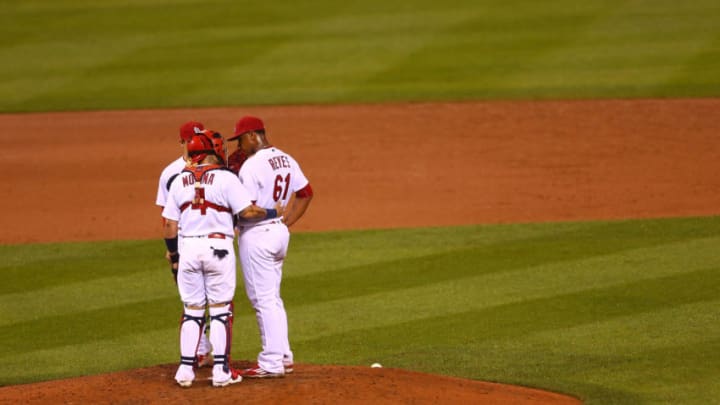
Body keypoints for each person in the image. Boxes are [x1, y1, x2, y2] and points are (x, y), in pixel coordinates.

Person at [162, 130, 284, 388]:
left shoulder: (177, 180)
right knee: (220, 311)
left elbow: (169, 225)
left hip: (189, 251)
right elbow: (248, 211)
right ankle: (221, 371)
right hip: (218, 249)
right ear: (211, 152)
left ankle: (185, 371)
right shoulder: (226, 179)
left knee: (192, 311)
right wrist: (274, 211)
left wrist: (174, 255)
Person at [227, 116, 314, 378]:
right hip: (278, 234)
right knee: (272, 298)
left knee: (263, 300)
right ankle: (283, 354)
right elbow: (306, 193)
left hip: (258, 237)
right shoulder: (287, 158)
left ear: (254, 135)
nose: (239, 146)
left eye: (240, 139)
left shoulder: (252, 166)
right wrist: (285, 222)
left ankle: (272, 362)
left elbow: (247, 212)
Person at [155, 121, 213, 368]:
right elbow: (168, 216)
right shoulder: (171, 173)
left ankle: (203, 349)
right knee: (195, 299)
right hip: (189, 242)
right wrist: (173, 251)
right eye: (190, 140)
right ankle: (199, 350)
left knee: (209, 298)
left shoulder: (215, 167)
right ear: (182, 142)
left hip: (206, 241)